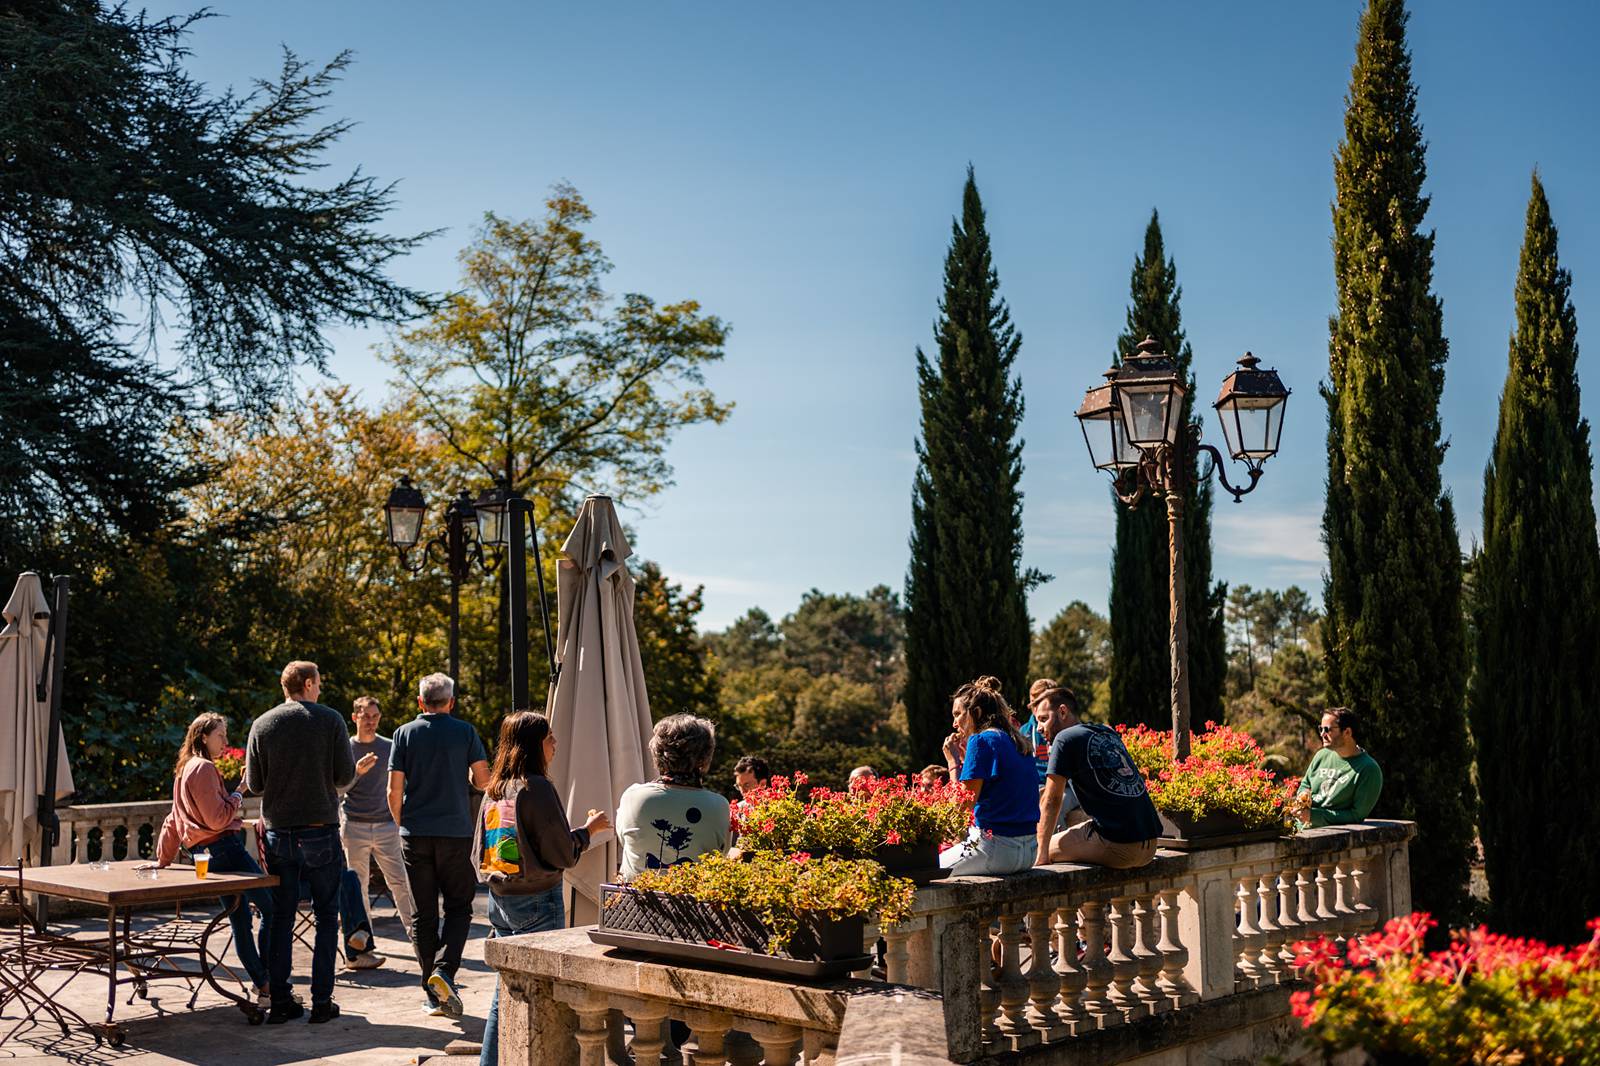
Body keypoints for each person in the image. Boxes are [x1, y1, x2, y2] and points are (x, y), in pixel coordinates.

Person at [472, 712, 609, 1066]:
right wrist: (588, 831)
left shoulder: (496, 788)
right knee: (545, 993)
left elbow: (480, 850)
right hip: (536, 900)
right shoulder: (537, 787)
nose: (555, 744)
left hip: (499, 899)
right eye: (550, 738)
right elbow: (560, 851)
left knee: (506, 991)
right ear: (534, 744)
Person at [246, 661, 356, 1024]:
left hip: (279, 833)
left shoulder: (262, 724)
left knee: (280, 918)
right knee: (327, 916)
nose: (321, 689)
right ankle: (322, 1001)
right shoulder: (330, 720)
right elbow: (345, 775)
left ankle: (280, 1000)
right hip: (320, 829)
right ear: (308, 684)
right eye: (319, 683)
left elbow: (256, 785)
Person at [155, 714, 277, 1009]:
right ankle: (270, 980)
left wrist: (163, 859)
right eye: (220, 735)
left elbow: (173, 820)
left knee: (240, 920)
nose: (225, 741)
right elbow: (217, 818)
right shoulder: (204, 768)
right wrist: (240, 790)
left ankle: (265, 985)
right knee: (272, 909)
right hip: (223, 849)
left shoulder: (184, 769)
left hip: (203, 854)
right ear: (203, 737)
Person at [388, 673, 488, 1019]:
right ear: (451, 702)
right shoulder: (465, 732)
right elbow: (483, 779)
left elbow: (393, 790)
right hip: (456, 833)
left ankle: (432, 995)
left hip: (415, 834)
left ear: (420, 703)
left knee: (423, 915)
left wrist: (402, 825)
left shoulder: (403, 734)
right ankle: (445, 972)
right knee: (460, 908)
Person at [1034, 686, 1161, 870]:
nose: (1039, 728)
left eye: (1043, 719)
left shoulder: (1063, 739)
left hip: (1120, 845)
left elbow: (1052, 800)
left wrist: (1042, 855)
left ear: (1062, 712)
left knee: (1037, 851)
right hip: (1150, 845)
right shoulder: (1105, 731)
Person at [938, 677, 1040, 875]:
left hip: (995, 849)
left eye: (958, 714)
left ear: (975, 713)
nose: (954, 723)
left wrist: (953, 763)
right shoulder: (1020, 742)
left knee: (921, 874)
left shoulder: (981, 740)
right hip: (1029, 851)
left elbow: (959, 809)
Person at [340, 697, 417, 956]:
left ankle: (418, 940)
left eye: (375, 716)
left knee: (401, 883)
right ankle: (364, 947)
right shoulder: (345, 749)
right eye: (366, 717)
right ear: (355, 718)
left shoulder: (389, 746)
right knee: (357, 886)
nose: (371, 722)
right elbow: (337, 790)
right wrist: (357, 773)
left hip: (387, 826)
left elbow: (403, 784)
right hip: (354, 826)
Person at [617, 715, 731, 880]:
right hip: (695, 902)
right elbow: (722, 854)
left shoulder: (633, 797)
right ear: (705, 756)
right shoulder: (719, 805)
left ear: (657, 753)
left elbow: (624, 840)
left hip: (634, 902)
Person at [1293, 708, 1383, 827]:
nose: (1322, 734)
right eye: (1321, 729)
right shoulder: (1321, 755)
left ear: (1347, 732)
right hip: (1298, 832)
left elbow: (1356, 815)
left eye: (1327, 729)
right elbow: (1306, 784)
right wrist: (1303, 794)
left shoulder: (1369, 769)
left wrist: (1314, 816)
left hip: (1329, 840)